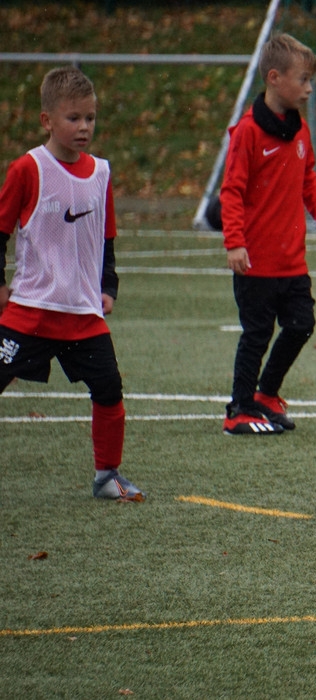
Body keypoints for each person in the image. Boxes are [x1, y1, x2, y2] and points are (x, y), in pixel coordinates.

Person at [0, 66, 143, 502]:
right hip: (31, 310)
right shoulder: (28, 169)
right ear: (47, 120)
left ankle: (107, 476)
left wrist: (108, 286)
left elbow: (106, 236)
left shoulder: (101, 173)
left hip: (83, 313)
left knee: (109, 388)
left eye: (90, 118)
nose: (84, 127)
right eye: (73, 118)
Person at [220, 33, 316, 435]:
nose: (309, 89)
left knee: (302, 324)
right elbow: (231, 192)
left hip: (292, 261)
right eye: (303, 80)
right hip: (255, 262)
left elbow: (308, 179)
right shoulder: (248, 132)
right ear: (274, 78)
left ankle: (267, 394)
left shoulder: (299, 131)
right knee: (257, 335)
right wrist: (235, 242)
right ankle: (239, 408)